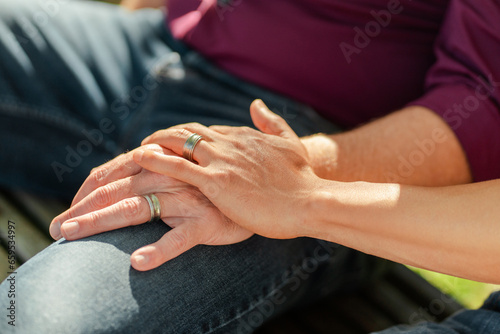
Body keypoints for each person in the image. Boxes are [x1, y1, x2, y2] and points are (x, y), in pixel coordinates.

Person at [0, 0, 498, 332]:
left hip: (312, 145)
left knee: (37, 321)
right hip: (153, 48)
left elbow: (482, 102)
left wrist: (291, 176)